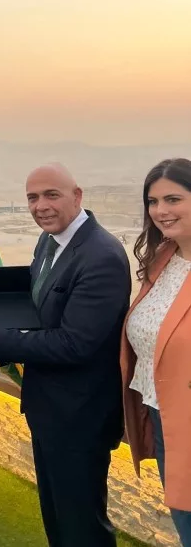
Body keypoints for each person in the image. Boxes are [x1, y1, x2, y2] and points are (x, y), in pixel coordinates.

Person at [0, 163, 131, 547]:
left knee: (82, 525)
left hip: (81, 417)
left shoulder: (102, 256)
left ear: (77, 196)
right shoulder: (50, 240)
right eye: (32, 198)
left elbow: (75, 344)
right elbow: (36, 287)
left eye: (51, 195)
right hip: (49, 408)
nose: (40, 206)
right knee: (58, 518)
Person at [121, 158, 191, 546]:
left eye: (173, 199)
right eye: (153, 201)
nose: (161, 210)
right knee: (184, 519)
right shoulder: (163, 257)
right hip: (162, 415)